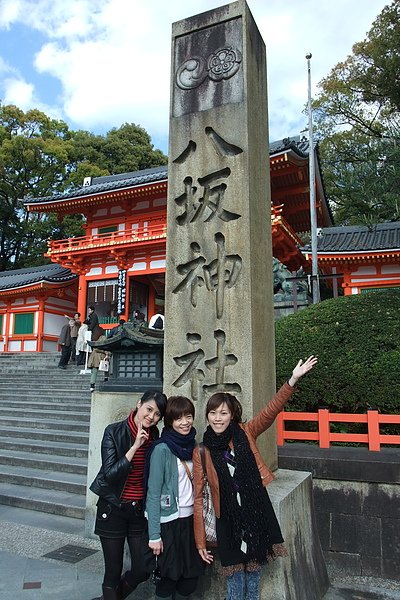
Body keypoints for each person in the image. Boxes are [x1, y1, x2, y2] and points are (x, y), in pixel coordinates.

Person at [193, 356, 318, 600]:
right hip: (228, 522)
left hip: (255, 515)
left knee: (253, 581)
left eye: (223, 413)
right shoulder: (203, 451)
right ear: (207, 416)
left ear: (232, 415)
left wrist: (292, 380)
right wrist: (200, 542)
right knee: (235, 584)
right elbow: (199, 498)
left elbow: (271, 411)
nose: (218, 418)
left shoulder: (245, 433)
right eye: (213, 413)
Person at [90, 390, 168, 600]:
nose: (151, 417)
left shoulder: (155, 437)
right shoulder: (113, 432)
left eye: (157, 414)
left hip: (137, 511)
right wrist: (135, 447)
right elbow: (110, 475)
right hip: (113, 508)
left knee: (143, 567)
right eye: (149, 409)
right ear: (139, 404)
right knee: (113, 571)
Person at [145, 395, 204, 600]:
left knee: (189, 580)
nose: (185, 422)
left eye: (188, 416)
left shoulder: (194, 446)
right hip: (169, 523)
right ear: (169, 421)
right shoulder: (162, 449)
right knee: (168, 579)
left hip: (191, 522)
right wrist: (154, 535)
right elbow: (153, 494)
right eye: (179, 418)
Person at [87, 326, 108, 391]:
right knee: (105, 368)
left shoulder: (93, 337)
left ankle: (92, 385)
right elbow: (106, 346)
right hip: (101, 355)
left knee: (94, 371)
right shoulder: (103, 337)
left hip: (94, 356)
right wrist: (107, 354)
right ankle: (106, 380)